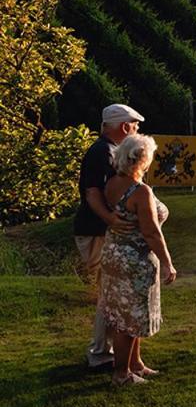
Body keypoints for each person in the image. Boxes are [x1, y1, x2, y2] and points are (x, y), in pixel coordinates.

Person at [72, 103, 144, 370]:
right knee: (109, 294)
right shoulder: (101, 152)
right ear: (125, 127)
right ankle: (101, 353)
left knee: (110, 293)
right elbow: (92, 193)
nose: (136, 131)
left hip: (99, 230)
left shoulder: (107, 150)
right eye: (135, 126)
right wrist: (111, 219)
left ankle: (108, 351)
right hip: (96, 231)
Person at [101, 133, 176, 386]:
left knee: (127, 315)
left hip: (114, 255)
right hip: (135, 260)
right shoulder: (140, 191)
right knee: (129, 320)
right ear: (142, 159)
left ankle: (136, 364)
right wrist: (167, 262)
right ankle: (121, 375)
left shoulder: (112, 183)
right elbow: (151, 231)